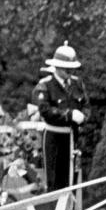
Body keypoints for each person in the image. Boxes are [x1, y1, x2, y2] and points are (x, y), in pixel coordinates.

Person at [32, 42, 89, 191]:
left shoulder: (77, 84)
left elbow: (85, 105)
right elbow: (45, 110)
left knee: (72, 182)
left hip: (73, 138)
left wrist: (83, 117)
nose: (70, 71)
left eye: (72, 68)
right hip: (54, 138)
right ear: (56, 67)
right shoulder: (45, 86)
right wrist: (69, 115)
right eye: (66, 68)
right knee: (55, 182)